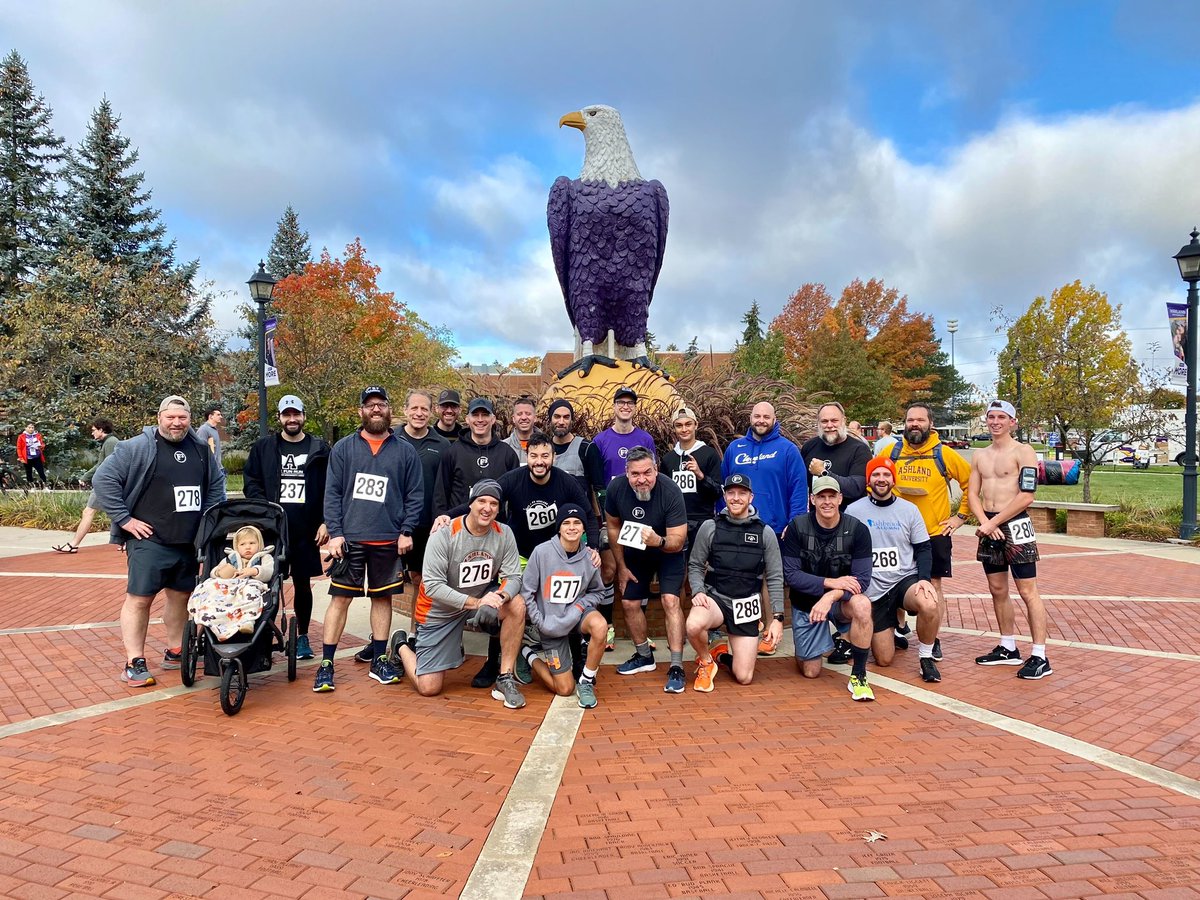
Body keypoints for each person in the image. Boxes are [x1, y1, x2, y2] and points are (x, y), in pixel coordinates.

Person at [92, 396, 226, 687]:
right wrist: (125, 520)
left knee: (180, 597)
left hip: (188, 542)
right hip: (149, 541)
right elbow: (103, 481)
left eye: (182, 417)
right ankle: (134, 661)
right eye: (171, 417)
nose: (176, 423)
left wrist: (209, 522)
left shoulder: (201, 449)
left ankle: (176, 649)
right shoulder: (136, 447)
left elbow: (216, 486)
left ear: (189, 419)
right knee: (140, 600)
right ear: (159, 417)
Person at [314, 386, 423, 693]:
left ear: (390, 410)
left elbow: (415, 495)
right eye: (370, 405)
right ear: (360, 411)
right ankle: (326, 665)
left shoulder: (404, 451)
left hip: (388, 540)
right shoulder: (344, 448)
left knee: (382, 598)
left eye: (381, 404)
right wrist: (335, 533)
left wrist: (406, 530)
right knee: (340, 600)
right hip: (350, 540)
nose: (376, 409)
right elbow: (332, 493)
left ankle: (379, 659)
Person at [395, 479, 528, 709]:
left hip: (478, 601)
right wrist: (477, 603)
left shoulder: (504, 533)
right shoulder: (444, 534)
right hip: (439, 612)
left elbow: (513, 577)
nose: (487, 508)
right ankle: (400, 644)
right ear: (471, 503)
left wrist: (500, 598)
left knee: (516, 604)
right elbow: (433, 585)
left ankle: (504, 677)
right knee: (429, 687)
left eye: (494, 503)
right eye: (482, 501)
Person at [352, 389, 450, 663]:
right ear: (404, 410)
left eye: (424, 409)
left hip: (425, 527)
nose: (419, 413)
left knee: (421, 581)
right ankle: (377, 640)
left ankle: (417, 635)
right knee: (383, 588)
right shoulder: (389, 439)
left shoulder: (442, 446)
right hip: (389, 526)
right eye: (414, 408)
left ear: (431, 413)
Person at [433, 396, 521, 687]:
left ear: (494, 419)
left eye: (486, 415)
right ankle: (444, 643)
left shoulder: (506, 453)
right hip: (460, 537)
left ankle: (493, 661)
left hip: (495, 538)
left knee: (499, 600)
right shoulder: (453, 450)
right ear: (467, 419)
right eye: (475, 415)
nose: (480, 420)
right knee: (451, 591)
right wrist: (441, 517)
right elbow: (441, 491)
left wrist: (507, 532)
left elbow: (511, 498)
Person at [968, 399, 1054, 680]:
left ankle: (1040, 655)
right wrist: (985, 523)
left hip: (1015, 525)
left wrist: (994, 522)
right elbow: (972, 494)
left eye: (1001, 417)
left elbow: (1027, 495)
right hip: (988, 526)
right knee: (997, 589)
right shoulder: (980, 455)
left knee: (1028, 590)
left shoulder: (1024, 451)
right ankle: (1008, 646)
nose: (995, 422)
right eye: (991, 417)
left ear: (1012, 422)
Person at [879, 401, 970, 660]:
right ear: (904, 424)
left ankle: (932, 637)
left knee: (933, 585)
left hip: (933, 532)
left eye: (920, 420)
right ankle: (898, 628)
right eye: (910, 420)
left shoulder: (944, 453)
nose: (915, 424)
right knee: (892, 578)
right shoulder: (891, 451)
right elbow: (872, 480)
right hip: (896, 531)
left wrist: (961, 516)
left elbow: (971, 482)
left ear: (930, 424)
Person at [243, 394, 330, 660]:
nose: (292, 419)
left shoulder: (320, 448)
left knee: (303, 585)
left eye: (296, 414)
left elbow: (332, 486)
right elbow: (251, 482)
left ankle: (302, 636)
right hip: (273, 530)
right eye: (286, 415)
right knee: (267, 583)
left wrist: (327, 521)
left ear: (304, 416)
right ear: (280, 418)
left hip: (306, 529)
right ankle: (263, 635)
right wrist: (265, 512)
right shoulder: (264, 448)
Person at [845, 458, 942, 683]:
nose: (881, 479)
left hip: (903, 580)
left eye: (886, 475)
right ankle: (887, 629)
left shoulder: (909, 510)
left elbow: (923, 548)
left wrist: (925, 579)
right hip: (873, 588)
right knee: (884, 660)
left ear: (893, 479)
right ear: (869, 480)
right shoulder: (854, 510)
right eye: (876, 475)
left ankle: (926, 657)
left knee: (928, 601)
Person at [685, 473, 784, 691]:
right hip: (717, 599)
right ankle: (706, 662)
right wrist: (698, 591)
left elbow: (775, 576)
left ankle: (721, 655)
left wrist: (777, 618)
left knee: (744, 676)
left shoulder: (765, 533)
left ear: (751, 497)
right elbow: (695, 564)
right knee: (693, 625)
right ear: (725, 496)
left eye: (742, 493)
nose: (736, 498)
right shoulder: (710, 527)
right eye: (731, 493)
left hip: (745, 606)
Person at [780, 476, 876, 701]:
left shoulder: (857, 530)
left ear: (840, 498)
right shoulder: (797, 527)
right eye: (821, 497)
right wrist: (830, 582)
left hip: (840, 602)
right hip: (807, 604)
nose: (827, 502)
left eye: (832, 496)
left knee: (862, 604)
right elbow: (791, 575)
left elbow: (862, 580)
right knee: (811, 671)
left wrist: (832, 595)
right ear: (812, 499)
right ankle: (819, 642)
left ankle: (859, 676)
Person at [605, 447, 689, 692]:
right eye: (635, 474)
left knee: (670, 601)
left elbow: (678, 540)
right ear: (626, 473)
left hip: (667, 550)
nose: (641, 479)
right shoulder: (616, 489)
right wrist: (621, 566)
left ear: (656, 469)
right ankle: (644, 656)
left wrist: (658, 541)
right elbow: (612, 527)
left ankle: (676, 666)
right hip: (635, 552)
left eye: (647, 473)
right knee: (630, 602)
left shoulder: (671, 491)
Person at [518, 504, 608, 708]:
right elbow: (527, 591)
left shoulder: (589, 557)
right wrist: (539, 621)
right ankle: (526, 653)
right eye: (566, 523)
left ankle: (586, 681)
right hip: (550, 624)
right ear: (558, 527)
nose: (572, 527)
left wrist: (579, 607)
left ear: (584, 528)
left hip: (577, 616)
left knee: (600, 626)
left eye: (577, 523)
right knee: (565, 689)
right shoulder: (541, 553)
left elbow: (598, 591)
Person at [721, 401, 807, 540]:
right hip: (737, 527)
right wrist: (723, 520)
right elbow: (723, 487)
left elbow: (798, 489)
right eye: (757, 416)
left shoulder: (788, 450)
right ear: (750, 418)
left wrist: (795, 523)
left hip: (776, 530)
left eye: (766, 417)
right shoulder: (734, 448)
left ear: (774, 419)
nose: (761, 421)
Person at [188, 525, 275, 641]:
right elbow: (214, 573)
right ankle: (213, 617)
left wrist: (255, 570)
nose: (247, 547)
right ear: (236, 547)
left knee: (251, 592)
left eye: (252, 543)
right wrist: (220, 573)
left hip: (251, 584)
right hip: (229, 588)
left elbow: (269, 572)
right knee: (211, 587)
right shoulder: (230, 559)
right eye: (243, 544)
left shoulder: (264, 558)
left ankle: (248, 620)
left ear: (260, 544)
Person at [54, 418, 119, 553]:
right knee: (117, 513)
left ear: (101, 430)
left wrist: (86, 477)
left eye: (94, 430)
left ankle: (74, 544)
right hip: (109, 483)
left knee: (89, 511)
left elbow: (106, 465)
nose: (92, 433)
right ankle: (125, 542)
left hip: (106, 484)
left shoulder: (111, 443)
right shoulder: (109, 442)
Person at [801, 402, 870, 508]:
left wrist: (823, 472)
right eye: (824, 421)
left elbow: (856, 488)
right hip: (816, 520)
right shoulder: (809, 447)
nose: (829, 425)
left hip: (849, 520)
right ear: (818, 423)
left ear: (844, 421)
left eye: (834, 420)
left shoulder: (860, 449)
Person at [503, 396, 537, 465]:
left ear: (535, 418)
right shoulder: (503, 447)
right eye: (519, 414)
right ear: (513, 419)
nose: (524, 417)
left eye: (528, 414)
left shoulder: (546, 446)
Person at [196, 405, 225, 476]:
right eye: (218, 414)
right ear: (210, 416)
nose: (221, 417)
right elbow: (200, 449)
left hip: (218, 468)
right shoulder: (204, 429)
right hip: (210, 470)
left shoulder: (214, 429)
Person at [16, 423, 47, 489]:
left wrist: (41, 446)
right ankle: (32, 487)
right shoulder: (21, 436)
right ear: (26, 428)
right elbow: (19, 448)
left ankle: (45, 487)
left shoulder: (38, 435)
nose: (31, 429)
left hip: (37, 457)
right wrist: (21, 457)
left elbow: (42, 444)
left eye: (32, 427)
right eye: (29, 427)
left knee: (41, 472)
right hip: (27, 458)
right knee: (29, 473)